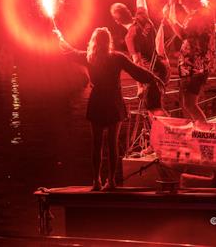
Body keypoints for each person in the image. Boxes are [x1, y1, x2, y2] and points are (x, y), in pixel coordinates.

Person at [56, 27, 159, 191]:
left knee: (96, 144)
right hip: (113, 103)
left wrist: (60, 37)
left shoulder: (88, 57)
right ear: (108, 41)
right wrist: (152, 77)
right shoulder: (117, 57)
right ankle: (111, 181)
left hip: (97, 102)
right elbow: (136, 71)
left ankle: (96, 181)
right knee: (112, 143)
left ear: (94, 41)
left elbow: (69, 51)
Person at [112, 0, 170, 112]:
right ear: (129, 12)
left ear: (117, 22)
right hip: (163, 67)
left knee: (154, 109)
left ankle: (168, 134)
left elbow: (136, 63)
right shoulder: (142, 16)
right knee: (158, 106)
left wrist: (139, 87)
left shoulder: (130, 37)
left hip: (152, 75)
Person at [167, 0, 216, 120]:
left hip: (194, 67)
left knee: (189, 104)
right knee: (187, 103)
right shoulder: (205, 12)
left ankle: (204, 130)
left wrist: (171, 12)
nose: (184, 8)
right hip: (199, 65)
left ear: (189, 3)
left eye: (183, 5)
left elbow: (182, 34)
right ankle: (195, 131)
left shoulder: (197, 16)